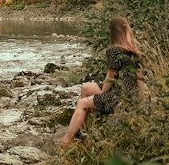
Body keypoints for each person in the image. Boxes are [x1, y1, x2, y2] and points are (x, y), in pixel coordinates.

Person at [61, 15, 143, 146]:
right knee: (86, 87)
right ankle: (83, 130)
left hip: (120, 97)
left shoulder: (114, 50)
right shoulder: (133, 51)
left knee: (82, 103)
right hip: (129, 94)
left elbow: (110, 77)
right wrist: (140, 98)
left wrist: (102, 95)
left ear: (113, 33)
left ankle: (67, 141)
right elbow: (140, 76)